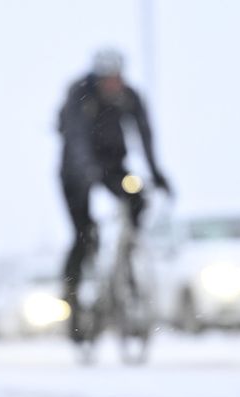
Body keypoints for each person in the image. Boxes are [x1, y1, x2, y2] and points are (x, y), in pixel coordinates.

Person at [58, 48, 173, 340]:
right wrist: (86, 169)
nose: (113, 84)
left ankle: (127, 253)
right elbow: (76, 136)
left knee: (137, 195)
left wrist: (157, 172)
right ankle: (72, 295)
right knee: (83, 232)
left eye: (116, 78)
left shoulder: (129, 96)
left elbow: (144, 134)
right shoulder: (79, 95)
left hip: (113, 166)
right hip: (75, 170)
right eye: (107, 79)